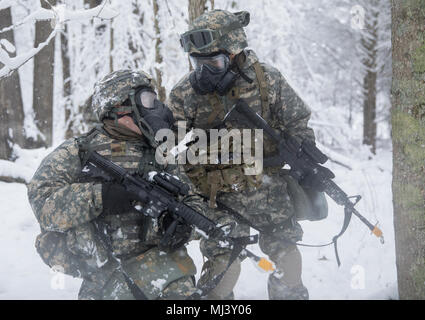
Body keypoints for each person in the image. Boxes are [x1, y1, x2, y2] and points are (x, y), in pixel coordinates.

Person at [169, 9, 327, 300]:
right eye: (196, 63)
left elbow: (298, 122)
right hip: (217, 199)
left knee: (288, 266)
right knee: (222, 275)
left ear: (233, 53)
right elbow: (169, 149)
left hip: (269, 192)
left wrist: (297, 149)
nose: (204, 72)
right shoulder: (184, 93)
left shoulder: (266, 79)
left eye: (214, 62)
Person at [27, 69, 210, 300]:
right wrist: (101, 196)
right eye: (146, 100)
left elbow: (192, 201)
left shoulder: (159, 153)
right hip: (105, 276)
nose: (155, 108)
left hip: (164, 271)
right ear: (120, 108)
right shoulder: (79, 151)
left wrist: (183, 227)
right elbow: (43, 205)